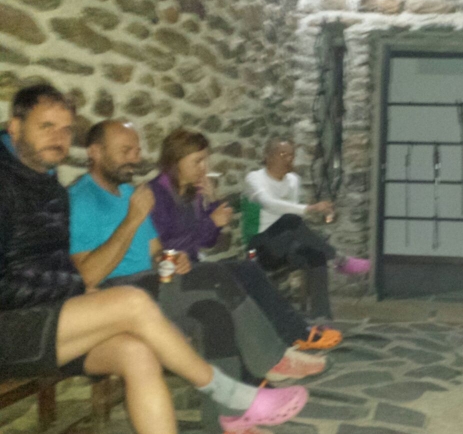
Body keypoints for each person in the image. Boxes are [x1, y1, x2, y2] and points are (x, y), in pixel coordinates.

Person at [0, 85, 307, 433]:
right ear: (15, 127)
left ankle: (234, 405)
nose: (59, 138)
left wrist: (170, 255)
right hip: (14, 329)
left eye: (66, 129)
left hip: (49, 315)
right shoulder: (46, 191)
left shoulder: (47, 185)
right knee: (137, 300)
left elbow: (52, 264)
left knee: (141, 352)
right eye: (46, 126)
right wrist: (77, 288)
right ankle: (237, 394)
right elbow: (41, 280)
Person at [68, 120, 326, 387]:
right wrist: (133, 220)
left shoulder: (131, 193)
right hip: (121, 292)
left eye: (137, 150)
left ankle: (242, 397)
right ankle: (273, 359)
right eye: (126, 151)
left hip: (157, 279)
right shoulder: (83, 198)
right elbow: (88, 275)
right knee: (219, 276)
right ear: (95, 152)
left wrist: (170, 257)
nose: (135, 158)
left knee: (214, 311)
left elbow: (157, 251)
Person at [148, 127, 342, 350]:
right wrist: (212, 221)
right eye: (197, 161)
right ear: (175, 161)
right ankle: (295, 335)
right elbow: (165, 247)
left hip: (194, 265)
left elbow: (207, 241)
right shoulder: (157, 194)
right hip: (171, 275)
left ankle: (293, 334)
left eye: (205, 160)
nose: (204, 168)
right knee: (243, 274)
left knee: (248, 271)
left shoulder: (190, 191)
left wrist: (211, 202)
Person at [244, 136, 370, 319]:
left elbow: (295, 219)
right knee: (290, 220)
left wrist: (320, 216)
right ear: (268, 156)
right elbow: (269, 203)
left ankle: (321, 316)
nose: (288, 159)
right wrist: (311, 208)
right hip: (259, 248)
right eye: (282, 154)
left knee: (316, 254)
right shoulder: (254, 178)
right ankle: (340, 259)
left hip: (284, 246)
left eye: (291, 155)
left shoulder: (293, 180)